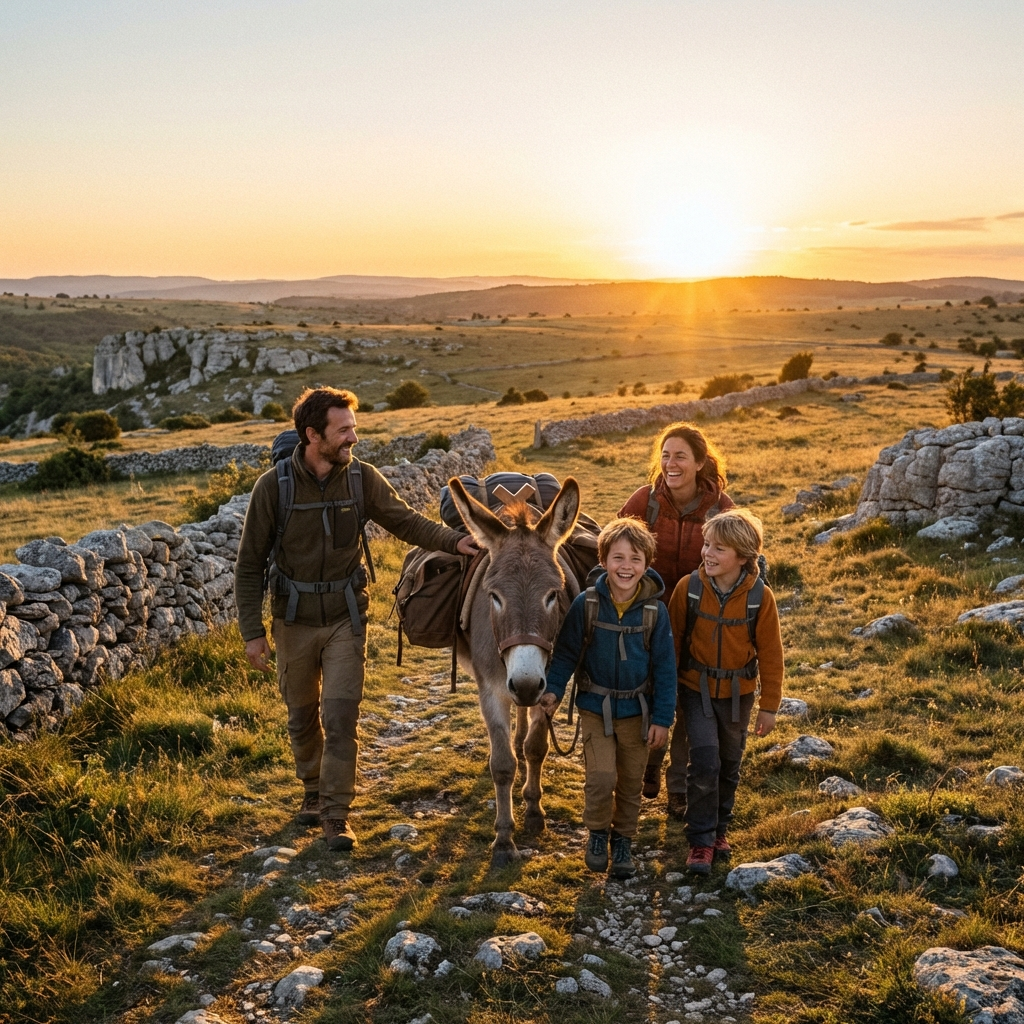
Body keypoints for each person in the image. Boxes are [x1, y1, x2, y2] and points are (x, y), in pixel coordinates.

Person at [235, 386, 477, 851]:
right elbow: (249, 565)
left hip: (347, 616)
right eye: (344, 430)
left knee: (342, 717)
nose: (354, 438)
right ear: (313, 435)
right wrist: (253, 632)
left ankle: (335, 813)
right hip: (292, 620)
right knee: (301, 717)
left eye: (354, 428)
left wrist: (454, 541)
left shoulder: (362, 478)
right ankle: (312, 790)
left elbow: (406, 521)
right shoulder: (273, 488)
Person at [539, 517, 676, 879]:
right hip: (595, 709)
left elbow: (665, 670)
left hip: (638, 714)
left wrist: (663, 719)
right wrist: (553, 690)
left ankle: (623, 840)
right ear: (603, 560)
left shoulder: (655, 613)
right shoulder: (586, 605)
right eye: (618, 557)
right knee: (601, 778)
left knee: (630, 782)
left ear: (646, 564)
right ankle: (598, 833)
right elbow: (565, 654)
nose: (626, 567)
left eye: (635, 559)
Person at [619, 423, 735, 815]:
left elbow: (742, 557)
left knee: (689, 703)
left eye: (680, 456)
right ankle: (649, 764)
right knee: (648, 693)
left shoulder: (721, 509)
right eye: (665, 455)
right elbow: (615, 547)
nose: (671, 463)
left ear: (700, 462)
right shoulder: (644, 502)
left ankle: (679, 787)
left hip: (701, 620)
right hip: (648, 619)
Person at [667, 509, 783, 875]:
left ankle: (719, 830)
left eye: (719, 548)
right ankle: (700, 841)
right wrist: (666, 697)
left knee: (730, 763)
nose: (708, 553)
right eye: (707, 544)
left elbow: (771, 655)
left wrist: (769, 706)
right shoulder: (688, 589)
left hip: (738, 695)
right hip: (694, 690)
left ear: (744, 556)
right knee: (705, 761)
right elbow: (672, 646)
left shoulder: (760, 598)